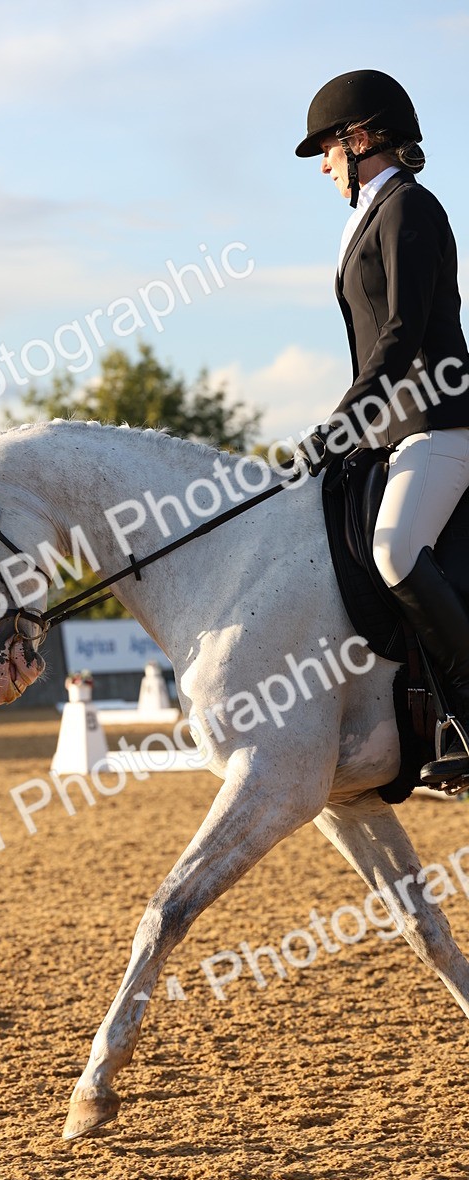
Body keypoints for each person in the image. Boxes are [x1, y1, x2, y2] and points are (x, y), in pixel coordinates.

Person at [294, 69, 469, 785]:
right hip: (391, 428)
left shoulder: (408, 209)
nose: (326, 167)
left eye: (329, 151)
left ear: (360, 139)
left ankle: (467, 711)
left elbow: (399, 335)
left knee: (396, 552)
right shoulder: (370, 214)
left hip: (438, 420)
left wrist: (340, 424)